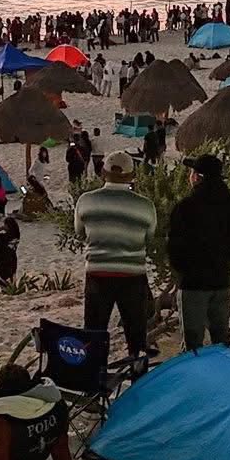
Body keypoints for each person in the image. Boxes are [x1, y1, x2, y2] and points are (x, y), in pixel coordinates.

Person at [73, 152, 158, 359]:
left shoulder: (86, 201)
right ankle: (136, 372)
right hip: (132, 275)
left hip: (97, 273)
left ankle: (92, 376)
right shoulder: (145, 205)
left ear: (103, 172)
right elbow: (149, 237)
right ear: (131, 176)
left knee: (94, 330)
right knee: (136, 332)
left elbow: (80, 233)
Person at [167, 154, 230, 350]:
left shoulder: (186, 207)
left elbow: (174, 246)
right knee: (222, 339)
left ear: (197, 177)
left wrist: (182, 269)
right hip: (221, 278)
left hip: (193, 282)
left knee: (193, 344)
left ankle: (196, 380)